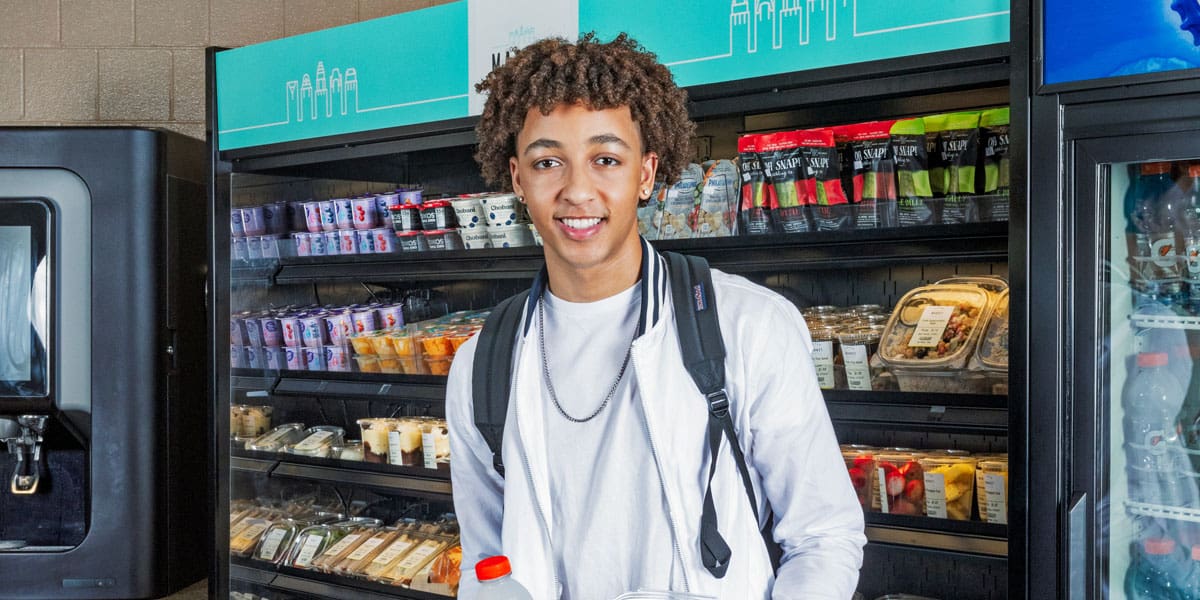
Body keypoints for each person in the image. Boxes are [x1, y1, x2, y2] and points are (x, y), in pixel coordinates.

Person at [446, 33, 866, 599]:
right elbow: (486, 559)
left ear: (645, 174)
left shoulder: (745, 325)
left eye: (605, 159)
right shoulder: (481, 364)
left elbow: (824, 537)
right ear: (518, 179)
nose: (577, 190)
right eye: (549, 162)